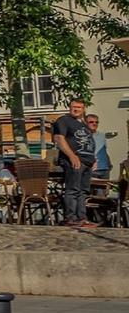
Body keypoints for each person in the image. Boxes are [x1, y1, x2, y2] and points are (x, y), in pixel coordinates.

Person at [52, 98, 97, 228]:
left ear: (83, 109)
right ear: (69, 107)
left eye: (79, 107)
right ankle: (71, 218)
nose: (76, 109)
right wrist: (72, 156)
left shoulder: (83, 124)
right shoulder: (64, 121)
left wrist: (93, 159)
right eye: (74, 107)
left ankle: (82, 218)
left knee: (83, 191)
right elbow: (59, 139)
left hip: (87, 162)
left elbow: (88, 142)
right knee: (73, 189)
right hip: (74, 161)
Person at [87, 114, 112, 180]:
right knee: (92, 189)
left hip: (104, 169)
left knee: (105, 189)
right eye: (91, 122)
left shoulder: (102, 135)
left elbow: (104, 150)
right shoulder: (84, 135)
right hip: (91, 169)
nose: (94, 124)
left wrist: (109, 163)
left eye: (96, 122)